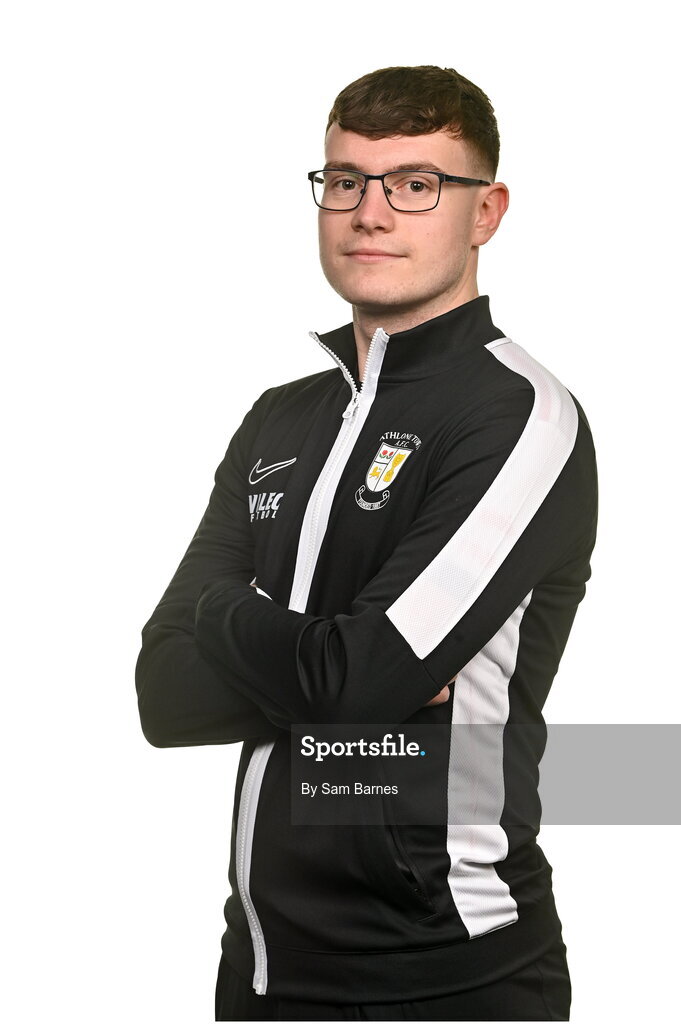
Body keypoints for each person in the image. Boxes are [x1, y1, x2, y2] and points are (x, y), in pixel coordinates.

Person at [135, 64, 597, 1021]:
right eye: (345, 181)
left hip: (452, 975)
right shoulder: (278, 420)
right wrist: (336, 662)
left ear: (485, 211)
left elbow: (364, 680)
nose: (370, 212)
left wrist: (230, 620)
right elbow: (164, 695)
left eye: (415, 184)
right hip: (262, 971)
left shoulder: (515, 418)